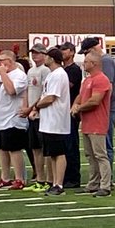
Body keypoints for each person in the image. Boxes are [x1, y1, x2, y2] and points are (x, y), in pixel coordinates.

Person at [72, 49, 113, 196]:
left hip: (97, 122)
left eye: (86, 61)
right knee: (90, 155)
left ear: (94, 63)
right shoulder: (88, 80)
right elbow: (80, 96)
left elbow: (95, 101)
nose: (84, 64)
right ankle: (93, 183)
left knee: (100, 155)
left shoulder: (101, 79)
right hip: (87, 122)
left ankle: (105, 185)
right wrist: (75, 105)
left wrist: (79, 108)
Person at [0, 49, 29, 189]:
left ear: (9, 62)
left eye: (1, 60)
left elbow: (11, 91)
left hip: (12, 118)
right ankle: (4, 177)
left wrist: (3, 74)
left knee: (14, 149)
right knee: (2, 148)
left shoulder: (19, 75)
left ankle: (19, 178)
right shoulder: (0, 76)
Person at [34, 47, 71, 195]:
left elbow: (51, 97)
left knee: (59, 153)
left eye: (47, 56)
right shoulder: (52, 74)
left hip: (56, 120)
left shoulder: (59, 74)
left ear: (52, 58)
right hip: (48, 120)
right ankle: (54, 182)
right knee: (52, 154)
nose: (45, 59)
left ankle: (59, 184)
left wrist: (36, 106)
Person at [79, 37, 115, 167]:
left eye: (86, 53)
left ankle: (107, 179)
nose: (86, 58)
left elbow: (106, 88)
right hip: (106, 108)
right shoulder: (107, 60)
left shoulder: (105, 62)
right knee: (100, 147)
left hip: (106, 109)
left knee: (103, 146)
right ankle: (103, 179)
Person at [22, 44, 52, 190]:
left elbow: (44, 92)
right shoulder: (31, 71)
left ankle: (48, 178)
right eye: (33, 53)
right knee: (34, 148)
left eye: (38, 53)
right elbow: (29, 90)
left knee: (44, 148)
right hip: (32, 114)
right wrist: (26, 107)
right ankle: (39, 178)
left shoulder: (45, 70)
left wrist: (33, 108)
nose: (35, 56)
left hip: (41, 114)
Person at [58, 43, 83, 188]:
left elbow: (66, 87)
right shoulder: (62, 70)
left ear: (72, 52)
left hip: (70, 112)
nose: (62, 53)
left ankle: (73, 177)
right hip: (62, 111)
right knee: (63, 145)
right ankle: (65, 175)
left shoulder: (74, 70)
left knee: (71, 145)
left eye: (64, 50)